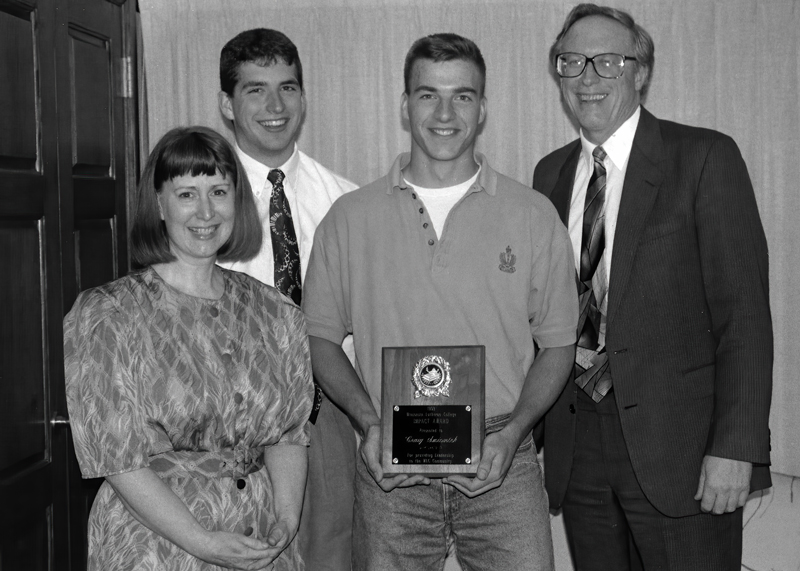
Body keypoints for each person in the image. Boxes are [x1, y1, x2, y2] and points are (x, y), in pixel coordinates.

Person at [303, 33, 577, 570]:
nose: (445, 112)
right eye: (428, 95)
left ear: (483, 109)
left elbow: (559, 344)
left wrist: (518, 429)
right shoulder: (349, 217)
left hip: (503, 456)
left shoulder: (532, 214)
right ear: (405, 107)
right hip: (389, 459)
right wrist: (370, 423)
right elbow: (320, 338)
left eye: (463, 96)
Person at [533, 4, 773, 570]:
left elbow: (744, 317)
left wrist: (735, 449)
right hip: (579, 444)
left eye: (607, 62)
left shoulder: (704, 158)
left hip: (683, 452)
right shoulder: (551, 174)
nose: (587, 77)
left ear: (640, 72)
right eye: (572, 62)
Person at [64, 126, 313, 570]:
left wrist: (287, 519)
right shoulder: (109, 314)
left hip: (260, 542)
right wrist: (202, 542)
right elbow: (117, 460)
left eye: (218, 191)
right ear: (158, 203)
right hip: (156, 545)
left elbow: (288, 435)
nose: (205, 211)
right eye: (186, 194)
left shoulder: (277, 312)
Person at [216, 28, 359, 571]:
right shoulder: (202, 206)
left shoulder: (345, 201)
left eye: (288, 88)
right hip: (227, 426)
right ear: (226, 105)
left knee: (331, 556)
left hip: (326, 421)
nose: (275, 106)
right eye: (255, 90)